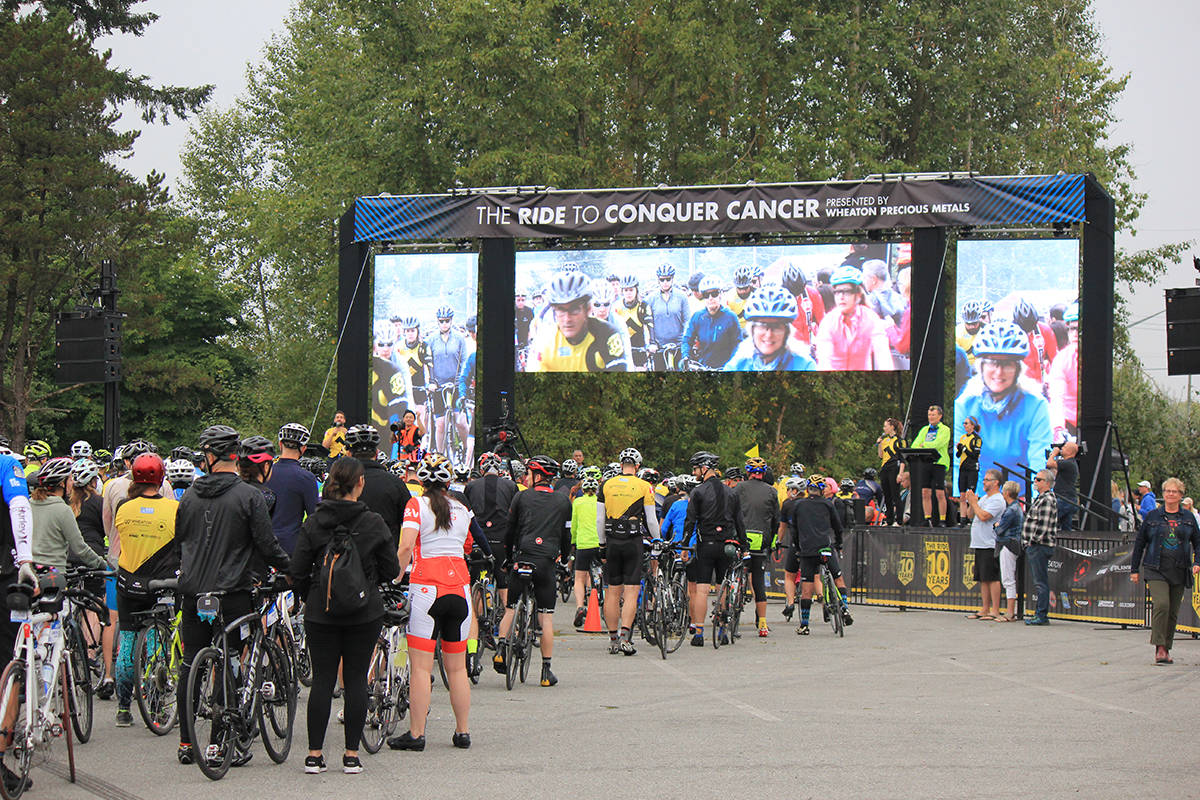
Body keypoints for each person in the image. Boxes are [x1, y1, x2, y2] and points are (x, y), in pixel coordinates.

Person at [174, 425, 290, 766]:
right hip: (233, 592)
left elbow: (182, 540)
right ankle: (217, 744)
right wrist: (292, 569)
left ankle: (185, 741)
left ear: (210, 457)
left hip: (194, 592)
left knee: (189, 664)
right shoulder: (249, 496)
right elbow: (266, 545)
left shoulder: (190, 496)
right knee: (230, 660)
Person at [292, 458, 399, 772]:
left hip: (320, 612)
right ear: (360, 484)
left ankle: (314, 754)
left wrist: (308, 596)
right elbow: (391, 569)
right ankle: (351, 755)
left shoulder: (314, 521)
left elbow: (297, 569)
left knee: (323, 680)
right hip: (364, 612)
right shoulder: (373, 522)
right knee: (355, 680)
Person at [111, 453, 178, 728]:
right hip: (161, 584)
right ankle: (157, 706)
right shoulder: (174, 509)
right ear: (162, 478)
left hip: (128, 581)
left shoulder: (124, 508)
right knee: (156, 643)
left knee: (127, 641)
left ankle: (124, 707)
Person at [493, 456, 571, 686]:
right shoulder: (563, 501)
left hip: (523, 556)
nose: (525, 477)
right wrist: (565, 560)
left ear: (537, 476)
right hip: (546, 560)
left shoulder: (521, 496)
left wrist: (508, 558)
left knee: (509, 608)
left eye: (528, 473)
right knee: (546, 616)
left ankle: (500, 648)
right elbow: (566, 537)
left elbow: (510, 530)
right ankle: (546, 671)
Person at [953, 320, 1053, 498]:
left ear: (1017, 368)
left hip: (1020, 499)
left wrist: (1039, 502)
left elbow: (1039, 460)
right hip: (979, 497)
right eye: (992, 363)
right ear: (981, 365)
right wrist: (964, 500)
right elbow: (958, 460)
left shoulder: (1037, 405)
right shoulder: (965, 404)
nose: (998, 372)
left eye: (1007, 364)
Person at [596, 448, 660, 654]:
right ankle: (625, 637)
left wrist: (602, 544)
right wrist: (657, 540)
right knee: (632, 590)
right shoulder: (644, 486)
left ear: (621, 464)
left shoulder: (605, 484)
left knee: (613, 591)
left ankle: (613, 639)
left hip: (612, 540)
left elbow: (599, 519)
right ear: (638, 466)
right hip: (633, 541)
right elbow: (650, 519)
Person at [1131, 477, 1200, 665]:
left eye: (1174, 492)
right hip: (1155, 568)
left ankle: (1166, 648)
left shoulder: (1188, 518)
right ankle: (1159, 647)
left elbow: (1197, 542)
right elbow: (1140, 543)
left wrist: (1197, 561)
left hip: (1179, 568)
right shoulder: (1153, 516)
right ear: (1163, 494)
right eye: (1167, 491)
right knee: (1162, 605)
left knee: (1172, 611)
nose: (1170, 494)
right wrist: (1134, 569)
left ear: (1181, 495)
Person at [0, 442, 36, 794]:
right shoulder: (6, 464)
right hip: (3, 573)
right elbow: (20, 506)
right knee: (10, 663)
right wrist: (25, 560)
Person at [682, 451, 747, 646]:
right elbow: (739, 522)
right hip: (727, 545)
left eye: (696, 469)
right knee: (722, 586)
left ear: (705, 468)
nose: (694, 474)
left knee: (702, 590)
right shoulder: (731, 492)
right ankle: (723, 630)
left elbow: (690, 521)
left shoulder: (698, 492)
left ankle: (699, 633)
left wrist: (685, 545)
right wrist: (743, 545)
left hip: (706, 544)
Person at [781, 475, 851, 635]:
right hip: (825, 547)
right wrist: (839, 544)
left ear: (807, 490)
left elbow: (795, 529)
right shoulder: (827, 505)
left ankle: (805, 624)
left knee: (807, 589)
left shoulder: (799, 505)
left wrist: (798, 547)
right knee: (838, 577)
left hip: (807, 550)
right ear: (821, 490)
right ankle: (845, 607)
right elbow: (838, 527)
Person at [528, 271, 628, 372]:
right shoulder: (545, 341)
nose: (567, 319)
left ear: (588, 310)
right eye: (561, 310)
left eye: (574, 309)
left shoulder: (607, 333)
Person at [813, 265, 893, 370]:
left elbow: (882, 354)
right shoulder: (828, 322)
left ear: (858, 294)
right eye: (837, 292)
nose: (841, 297)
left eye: (846, 292)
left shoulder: (871, 318)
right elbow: (824, 360)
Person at [345, 424, 412, 551]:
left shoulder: (336, 482)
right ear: (376, 453)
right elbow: (409, 523)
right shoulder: (395, 483)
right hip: (385, 559)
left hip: (346, 561)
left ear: (349, 453)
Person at [735, 457, 780, 637]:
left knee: (736, 578)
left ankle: (730, 617)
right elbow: (776, 519)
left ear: (748, 472)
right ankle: (762, 624)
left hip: (741, 539)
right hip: (761, 541)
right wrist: (772, 542)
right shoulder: (772, 491)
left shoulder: (738, 488)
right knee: (759, 581)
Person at [723, 285, 816, 371]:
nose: (769, 334)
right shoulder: (738, 365)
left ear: (787, 332)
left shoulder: (805, 366)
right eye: (762, 325)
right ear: (752, 330)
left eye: (776, 327)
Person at [266, 423, 320, 556]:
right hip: (291, 546)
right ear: (303, 448)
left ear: (280, 444)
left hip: (263, 545)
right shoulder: (306, 478)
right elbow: (314, 516)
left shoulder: (265, 472)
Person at [960, 469, 1005, 621]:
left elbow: (984, 516)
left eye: (987, 480)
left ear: (996, 482)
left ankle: (995, 609)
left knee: (992, 576)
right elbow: (971, 515)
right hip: (979, 542)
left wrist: (974, 503)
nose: (984, 482)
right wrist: (972, 503)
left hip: (990, 543)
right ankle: (985, 608)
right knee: (982, 577)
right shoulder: (985, 498)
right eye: (984, 479)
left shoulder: (997, 500)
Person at [425, 306, 468, 452]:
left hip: (455, 384)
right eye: (441, 321)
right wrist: (430, 382)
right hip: (438, 385)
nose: (444, 324)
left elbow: (464, 362)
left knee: (460, 422)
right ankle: (440, 456)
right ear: (437, 321)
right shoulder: (430, 340)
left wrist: (460, 381)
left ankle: (467, 448)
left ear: (451, 321)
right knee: (441, 424)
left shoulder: (460, 339)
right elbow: (426, 363)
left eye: (447, 321)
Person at [1021, 470, 1058, 626]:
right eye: (1035, 479)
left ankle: (1041, 615)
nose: (1035, 481)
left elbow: (1043, 525)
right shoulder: (1042, 498)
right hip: (1037, 545)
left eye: (1039, 479)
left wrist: (1032, 541)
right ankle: (1040, 614)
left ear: (1047, 483)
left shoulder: (1047, 499)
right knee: (1040, 581)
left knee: (1040, 582)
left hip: (1039, 545)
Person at [681, 275, 741, 369]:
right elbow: (687, 340)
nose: (710, 298)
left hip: (726, 368)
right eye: (706, 295)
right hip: (704, 367)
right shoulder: (698, 317)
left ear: (720, 294)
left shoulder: (731, 317)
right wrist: (685, 357)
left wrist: (732, 363)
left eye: (714, 294)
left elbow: (737, 343)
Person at [392, 317, 432, 442]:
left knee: (419, 415)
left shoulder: (424, 346)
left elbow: (429, 367)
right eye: (407, 331)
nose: (410, 334)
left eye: (412, 331)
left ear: (417, 331)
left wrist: (431, 383)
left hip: (419, 386)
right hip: (404, 387)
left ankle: (422, 443)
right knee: (405, 418)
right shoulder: (399, 347)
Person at [569, 470, 601, 628]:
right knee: (596, 574)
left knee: (579, 577)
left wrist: (573, 541)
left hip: (582, 543)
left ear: (582, 490)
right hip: (598, 542)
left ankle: (580, 606)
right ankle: (594, 596)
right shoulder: (600, 502)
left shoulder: (578, 502)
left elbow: (574, 525)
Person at [912, 405, 952, 526]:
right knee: (925, 492)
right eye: (929, 415)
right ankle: (927, 519)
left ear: (940, 416)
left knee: (939, 492)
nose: (931, 417)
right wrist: (925, 445)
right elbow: (914, 445)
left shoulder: (945, 429)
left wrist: (924, 445)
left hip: (939, 463)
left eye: (933, 415)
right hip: (925, 462)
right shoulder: (925, 430)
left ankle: (942, 519)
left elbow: (938, 444)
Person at [1046, 302, 1079, 440]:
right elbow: (1057, 397)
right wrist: (1058, 429)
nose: (1075, 334)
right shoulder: (1062, 359)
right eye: (1072, 329)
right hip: (1069, 423)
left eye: (1079, 329)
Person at [993, 480, 1024, 621]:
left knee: (1008, 578)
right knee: (1009, 577)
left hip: (1008, 544)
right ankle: (1011, 610)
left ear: (1006, 493)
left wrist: (996, 525)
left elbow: (1000, 530)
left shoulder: (1011, 510)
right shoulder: (1016, 507)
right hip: (1013, 543)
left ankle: (1010, 612)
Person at [645, 263, 688, 366]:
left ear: (672, 279)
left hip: (678, 345)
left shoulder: (682, 297)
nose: (665, 282)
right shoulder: (650, 299)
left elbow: (687, 321)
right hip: (658, 347)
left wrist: (686, 342)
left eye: (668, 279)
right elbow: (646, 324)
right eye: (662, 279)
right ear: (658, 280)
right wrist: (650, 343)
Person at [1011, 298, 1058, 385]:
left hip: (1041, 382)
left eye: (1031, 327)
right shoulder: (1010, 333)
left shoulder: (1045, 330)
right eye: (1024, 329)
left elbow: (1055, 360)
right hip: (1019, 383)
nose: (1028, 332)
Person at [1047, 441, 1079, 533]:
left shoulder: (1068, 463)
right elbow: (1055, 471)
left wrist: (1053, 454)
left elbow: (1049, 464)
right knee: (1066, 528)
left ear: (1069, 451)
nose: (1061, 449)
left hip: (1065, 499)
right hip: (1068, 498)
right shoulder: (1070, 464)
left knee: (1049, 520)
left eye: (1064, 447)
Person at [861, 259, 905, 326]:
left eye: (864, 277)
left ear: (874, 279)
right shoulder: (900, 297)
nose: (863, 281)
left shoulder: (871, 301)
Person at [955, 416, 983, 498]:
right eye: (963, 423)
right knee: (962, 496)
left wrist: (964, 448)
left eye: (966, 423)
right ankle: (963, 511)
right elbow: (958, 455)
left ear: (972, 425)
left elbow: (975, 455)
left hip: (972, 469)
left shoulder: (977, 439)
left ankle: (971, 510)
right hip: (963, 468)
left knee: (970, 495)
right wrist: (960, 449)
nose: (964, 425)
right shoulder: (962, 437)